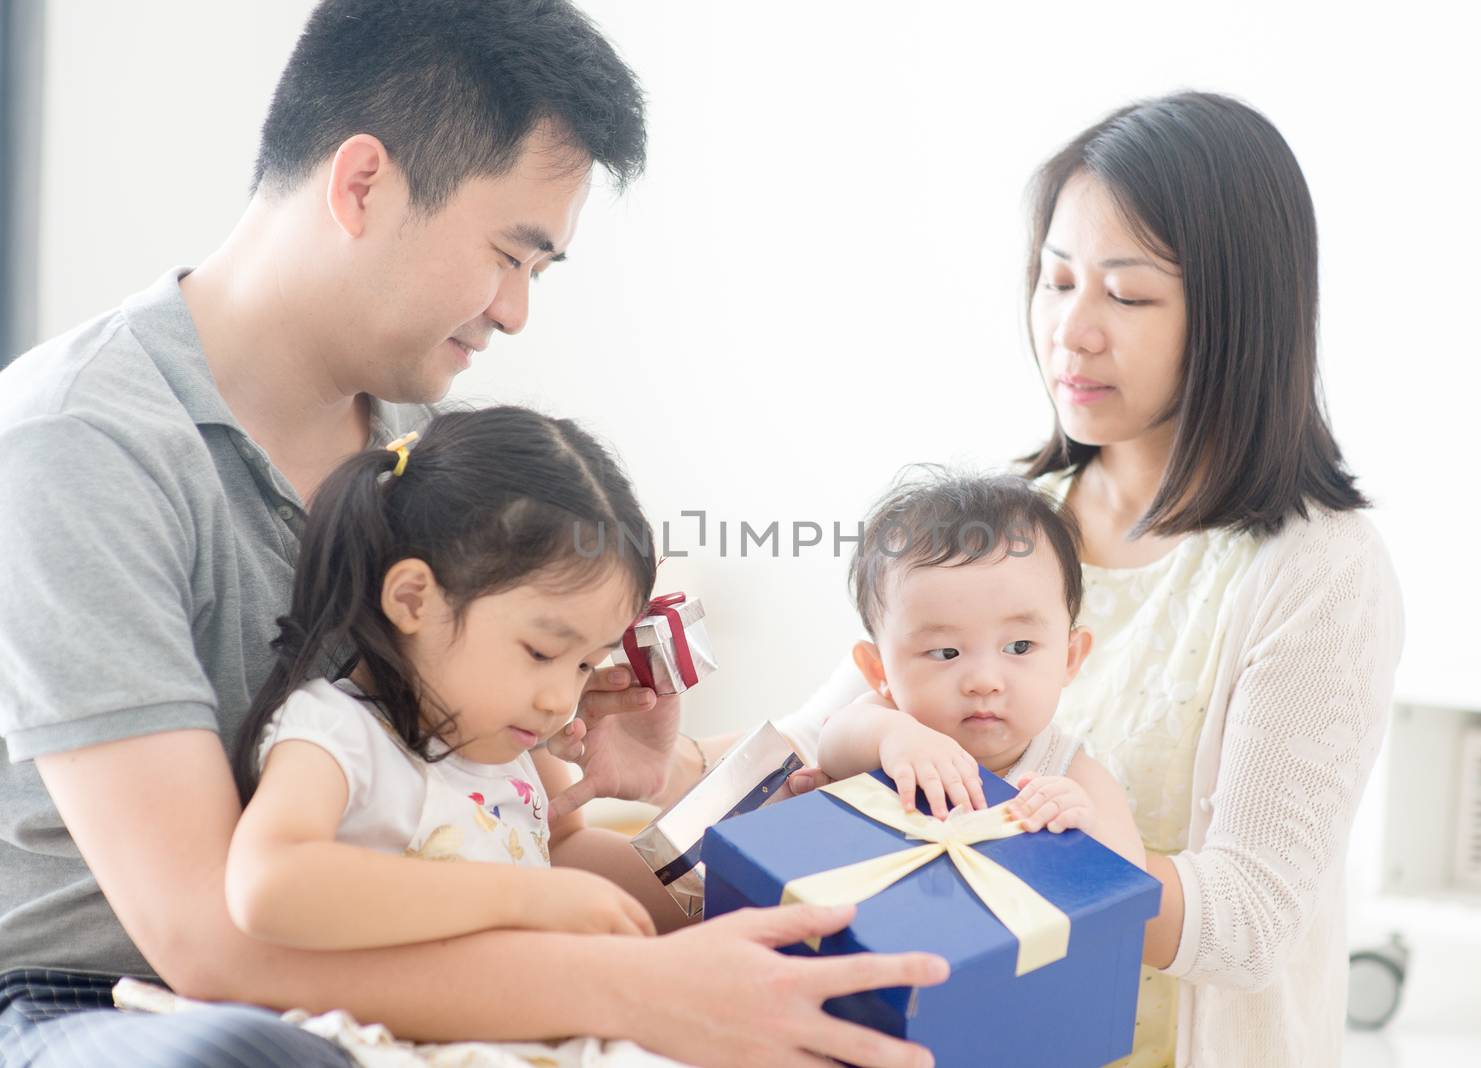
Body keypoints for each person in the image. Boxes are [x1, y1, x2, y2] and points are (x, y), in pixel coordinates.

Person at [0, 2, 945, 1066]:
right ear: (362, 185)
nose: (514, 313)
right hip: (112, 1002)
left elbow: (504, 832)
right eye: (510, 255)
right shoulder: (79, 442)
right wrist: (628, 989)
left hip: (412, 961)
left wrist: (609, 762)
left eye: (538, 274)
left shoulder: (439, 463)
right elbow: (209, 939)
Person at [667, 92, 1405, 1067]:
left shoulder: (1315, 570)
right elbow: (823, 731)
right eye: (1056, 283)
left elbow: (1247, 921)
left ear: (1238, 312)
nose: (1073, 331)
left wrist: (1057, 853)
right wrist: (654, 778)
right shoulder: (1011, 521)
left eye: (1127, 295)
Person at [227, 406, 683, 955]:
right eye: (541, 651)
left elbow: (566, 849)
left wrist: (719, 892)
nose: (561, 701)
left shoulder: (513, 744)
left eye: (585, 665)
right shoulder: (334, 733)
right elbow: (268, 885)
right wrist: (519, 897)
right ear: (413, 599)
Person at [812, 470, 1144, 869]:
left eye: (1019, 646)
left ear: (1069, 658)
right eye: (945, 652)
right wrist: (894, 737)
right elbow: (830, 747)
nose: (984, 681)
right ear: (878, 668)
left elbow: (1132, 877)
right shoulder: (886, 723)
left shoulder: (1069, 771)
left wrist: (1083, 824)